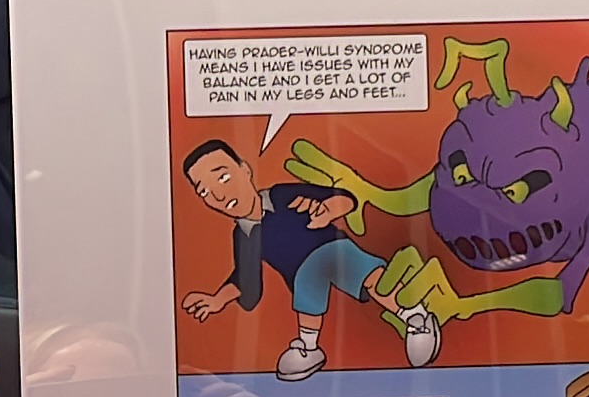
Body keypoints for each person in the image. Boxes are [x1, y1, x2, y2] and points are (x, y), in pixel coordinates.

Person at [176, 135, 439, 380]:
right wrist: (217, 300)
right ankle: (309, 347)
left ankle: (416, 317)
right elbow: (246, 280)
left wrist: (329, 209)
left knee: (370, 277)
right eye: (204, 192)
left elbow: (343, 199)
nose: (219, 195)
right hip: (303, 275)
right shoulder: (243, 236)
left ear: (245, 169)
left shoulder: (282, 195)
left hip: (335, 251)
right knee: (306, 288)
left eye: (222, 178)